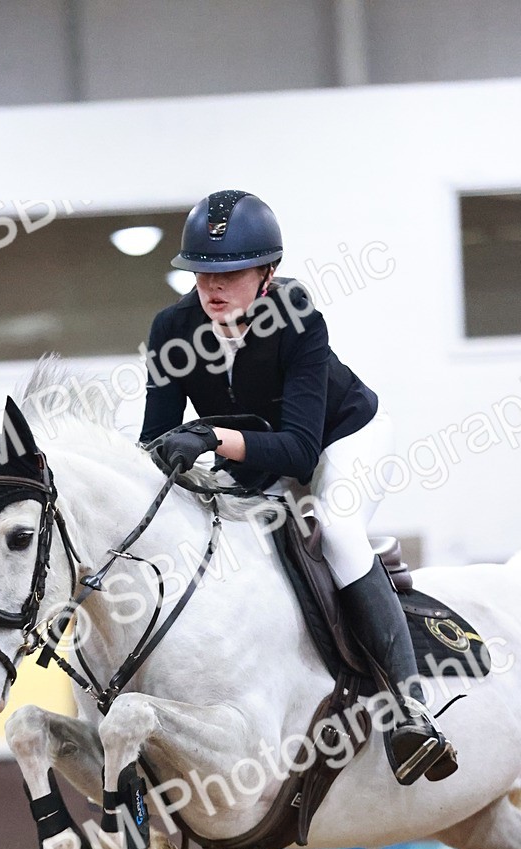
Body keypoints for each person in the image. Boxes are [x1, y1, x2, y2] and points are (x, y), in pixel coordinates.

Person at [140, 189, 456, 786]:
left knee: (336, 530)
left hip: (342, 438)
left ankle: (411, 710)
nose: (213, 286)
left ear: (268, 274)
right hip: (252, 463)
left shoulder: (299, 315)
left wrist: (210, 439)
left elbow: (301, 450)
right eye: (203, 272)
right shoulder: (171, 329)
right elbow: (154, 439)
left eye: (231, 272)